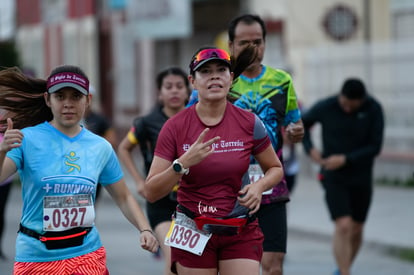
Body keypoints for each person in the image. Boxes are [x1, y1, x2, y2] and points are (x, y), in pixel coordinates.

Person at [0, 65, 159, 274]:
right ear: (48, 100)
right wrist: (2, 150)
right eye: (60, 96)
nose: (68, 104)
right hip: (36, 257)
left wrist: (145, 228)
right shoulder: (27, 139)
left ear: (88, 101)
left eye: (76, 96)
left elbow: (123, 197)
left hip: (86, 255)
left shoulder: (100, 147)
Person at [144, 46, 284, 275]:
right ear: (193, 81)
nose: (215, 76)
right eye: (205, 71)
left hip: (240, 227)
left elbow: (275, 168)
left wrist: (259, 187)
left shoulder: (250, 122)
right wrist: (182, 164)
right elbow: (151, 192)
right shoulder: (175, 127)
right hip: (193, 227)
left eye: (221, 70)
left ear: (231, 78)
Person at [227, 14, 304, 275]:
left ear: (265, 43)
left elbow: (294, 125)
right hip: (227, 188)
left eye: (258, 41)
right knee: (237, 267)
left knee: (273, 267)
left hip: (271, 183)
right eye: (244, 42)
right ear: (231, 45)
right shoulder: (217, 82)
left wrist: (296, 132)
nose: (252, 48)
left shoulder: (282, 81)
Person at [301, 78, 384, 275]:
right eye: (344, 104)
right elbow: (302, 124)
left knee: (357, 228)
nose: (347, 108)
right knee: (344, 225)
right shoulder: (327, 106)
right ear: (340, 96)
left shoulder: (373, 109)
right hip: (333, 175)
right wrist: (310, 149)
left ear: (361, 101)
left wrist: (346, 159)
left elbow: (375, 146)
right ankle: (345, 272)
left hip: (361, 176)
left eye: (352, 106)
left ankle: (342, 268)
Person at [118, 67, 190, 275]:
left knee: (188, 262)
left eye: (179, 86)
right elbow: (124, 148)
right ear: (159, 93)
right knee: (173, 251)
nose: (174, 91)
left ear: (187, 91)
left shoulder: (197, 118)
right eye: (168, 87)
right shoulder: (147, 122)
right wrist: (140, 181)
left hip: (191, 200)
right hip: (161, 201)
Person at [84, 84, 118, 202]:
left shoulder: (100, 120)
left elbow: (111, 140)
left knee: (91, 200)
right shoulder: (66, 121)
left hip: (94, 166)